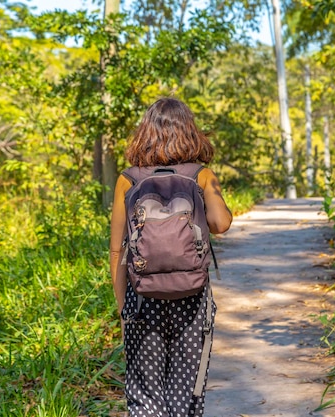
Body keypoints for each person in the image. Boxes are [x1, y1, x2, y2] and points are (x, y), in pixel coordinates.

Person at [109, 97, 233, 416]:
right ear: (190, 131)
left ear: (145, 133)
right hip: (192, 297)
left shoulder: (129, 178)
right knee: (185, 392)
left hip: (142, 299)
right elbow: (221, 224)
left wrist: (124, 309)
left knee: (145, 394)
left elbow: (117, 249)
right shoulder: (201, 175)